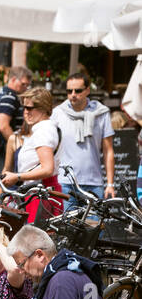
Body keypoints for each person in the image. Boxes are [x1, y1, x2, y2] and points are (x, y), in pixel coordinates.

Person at [53, 71, 115, 209]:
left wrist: (110, 184)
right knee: (67, 229)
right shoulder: (58, 112)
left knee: (95, 228)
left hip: (94, 183)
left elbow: (108, 150)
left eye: (78, 90)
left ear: (87, 90)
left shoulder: (101, 112)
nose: (73, 94)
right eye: (69, 91)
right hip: (65, 182)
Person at [2, 87, 62, 222]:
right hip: (38, 192)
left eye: (29, 108)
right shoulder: (44, 129)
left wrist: (17, 176)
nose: (26, 112)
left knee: (32, 240)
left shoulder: (44, 131)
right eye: (24, 108)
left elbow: (47, 169)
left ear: (44, 108)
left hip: (39, 193)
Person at [0, 64, 33, 166]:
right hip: (4, 149)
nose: (26, 88)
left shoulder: (5, 94)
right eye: (23, 84)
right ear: (14, 79)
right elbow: (3, 126)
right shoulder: (9, 97)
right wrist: (18, 147)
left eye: (27, 85)